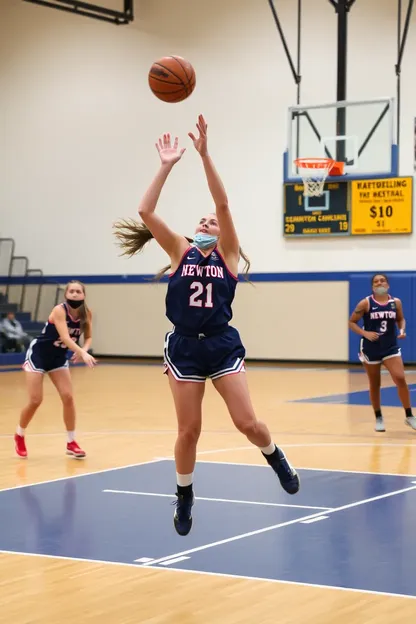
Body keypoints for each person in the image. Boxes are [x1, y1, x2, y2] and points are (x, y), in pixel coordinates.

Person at [113, 114, 300, 537]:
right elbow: (145, 210)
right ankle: (184, 496)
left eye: (209, 222)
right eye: (201, 221)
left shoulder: (227, 256)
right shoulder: (180, 250)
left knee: (247, 423)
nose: (204, 223)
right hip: (184, 347)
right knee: (189, 430)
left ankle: (275, 456)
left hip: (220, 344)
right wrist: (166, 165)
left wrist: (204, 155)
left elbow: (223, 204)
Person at [14, 280, 96, 459]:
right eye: (71, 291)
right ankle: (19, 435)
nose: (74, 294)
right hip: (39, 355)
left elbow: (88, 337)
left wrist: (85, 349)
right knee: (36, 400)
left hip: (58, 357)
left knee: (68, 396)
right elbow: (66, 338)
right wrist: (81, 352)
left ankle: (71, 441)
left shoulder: (86, 313)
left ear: (84, 295)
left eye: (78, 292)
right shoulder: (59, 311)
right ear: (66, 295)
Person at [349, 273, 416, 433]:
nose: (380, 283)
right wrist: (365, 334)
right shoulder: (365, 303)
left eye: (382, 280)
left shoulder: (395, 303)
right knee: (375, 383)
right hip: (371, 348)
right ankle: (378, 417)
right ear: (373, 286)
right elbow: (352, 322)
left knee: (400, 378)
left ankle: (409, 415)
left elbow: (401, 319)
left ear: (387, 285)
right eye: (376, 281)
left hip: (390, 347)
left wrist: (402, 329)